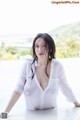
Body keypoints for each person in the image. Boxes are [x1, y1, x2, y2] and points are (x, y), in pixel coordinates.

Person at [0, 33, 80, 117]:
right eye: (37, 46)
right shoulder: (27, 66)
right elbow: (18, 89)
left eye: (44, 46)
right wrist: (5, 111)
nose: (40, 49)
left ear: (50, 48)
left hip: (52, 115)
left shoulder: (57, 66)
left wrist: (76, 103)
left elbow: (65, 86)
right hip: (31, 116)